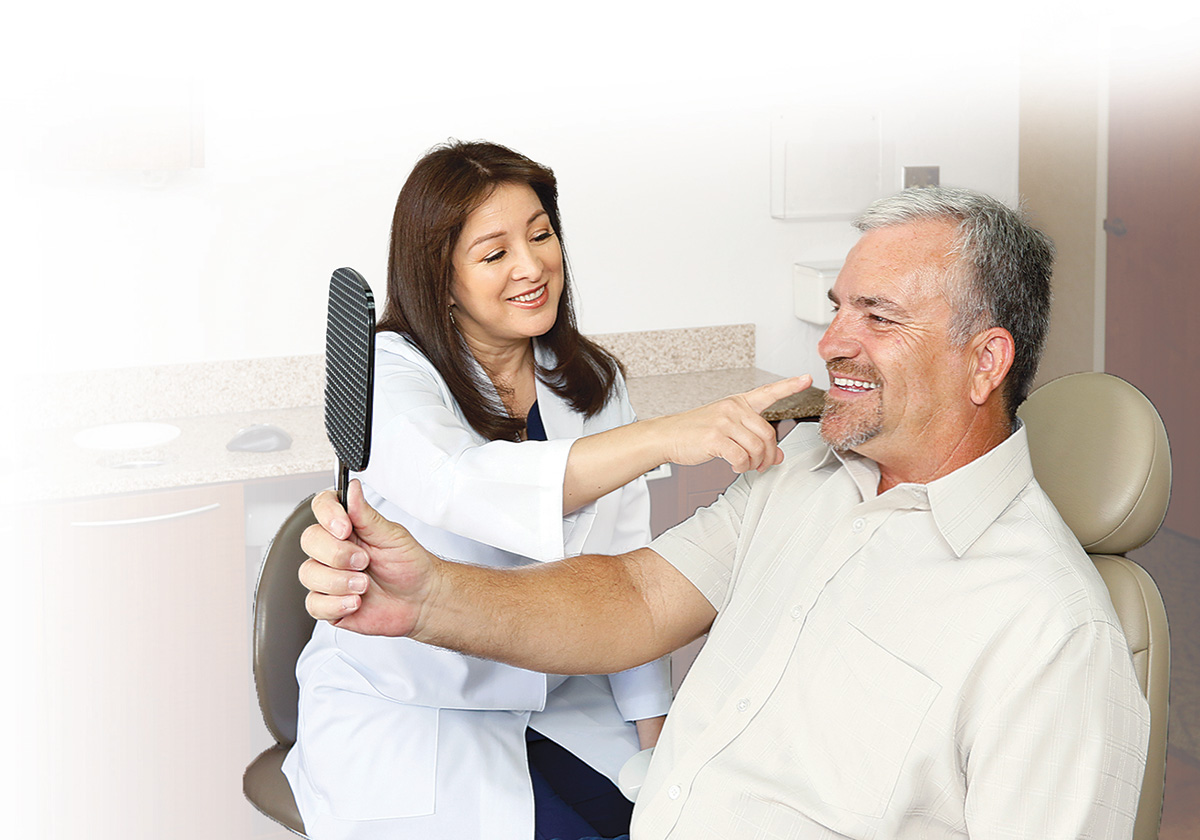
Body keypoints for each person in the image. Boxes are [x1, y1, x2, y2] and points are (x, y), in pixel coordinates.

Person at [298, 187, 1152, 839]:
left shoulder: (1052, 632)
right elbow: (636, 596)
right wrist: (429, 598)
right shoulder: (806, 471)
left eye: (877, 316)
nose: (831, 343)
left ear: (984, 362)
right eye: (837, 310)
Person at [282, 139, 807, 840]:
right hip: (412, 713)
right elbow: (459, 485)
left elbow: (626, 578)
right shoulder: (389, 373)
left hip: (561, 700)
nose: (533, 267)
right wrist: (661, 438)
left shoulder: (590, 382)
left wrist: (657, 746)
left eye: (541, 234)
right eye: (495, 253)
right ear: (441, 278)